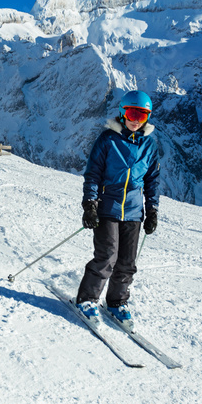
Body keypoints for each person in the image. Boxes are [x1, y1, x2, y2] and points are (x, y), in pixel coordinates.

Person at [76, 90, 160, 332]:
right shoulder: (107, 140)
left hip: (134, 211)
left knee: (126, 262)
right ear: (123, 113)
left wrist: (152, 209)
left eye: (142, 115)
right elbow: (93, 174)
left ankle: (117, 302)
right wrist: (90, 204)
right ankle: (87, 299)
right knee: (107, 256)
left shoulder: (149, 145)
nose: (136, 120)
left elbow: (153, 179)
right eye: (132, 113)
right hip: (107, 208)